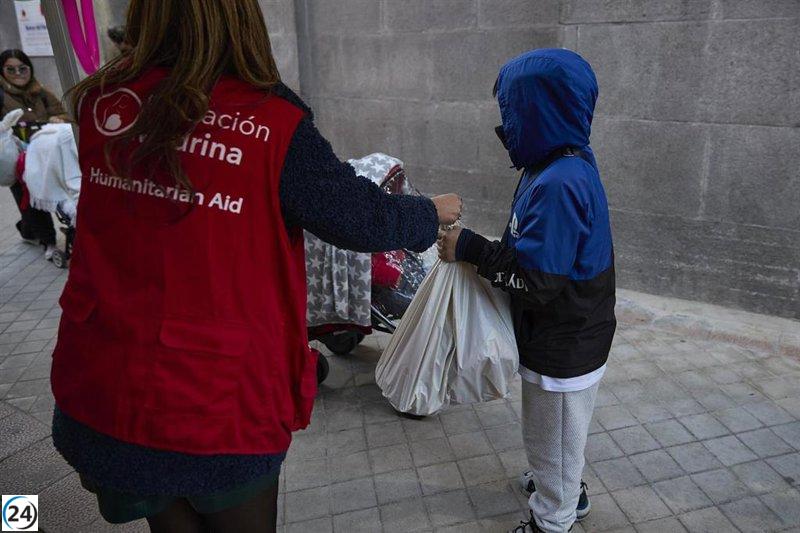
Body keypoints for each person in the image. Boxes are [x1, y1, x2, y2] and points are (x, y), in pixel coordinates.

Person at [49, 1, 461, 532]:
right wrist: (430, 212)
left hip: (105, 387)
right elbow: (357, 218)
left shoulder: (103, 102)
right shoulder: (270, 120)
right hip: (212, 401)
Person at [438, 48, 616, 533]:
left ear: (540, 111)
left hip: (565, 343)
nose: (506, 127)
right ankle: (560, 483)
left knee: (553, 434)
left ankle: (553, 518)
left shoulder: (560, 181)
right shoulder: (558, 161)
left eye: (511, 113)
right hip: (561, 332)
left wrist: (471, 247)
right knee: (554, 436)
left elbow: (538, 281)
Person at [1, 49, 68, 260]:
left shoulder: (41, 92)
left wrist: (58, 118)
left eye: (23, 68)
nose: (18, 73)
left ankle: (28, 230)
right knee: (30, 199)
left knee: (47, 199)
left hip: (47, 154)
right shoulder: (1, 95)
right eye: (10, 69)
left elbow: (63, 113)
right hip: (16, 159)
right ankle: (48, 242)